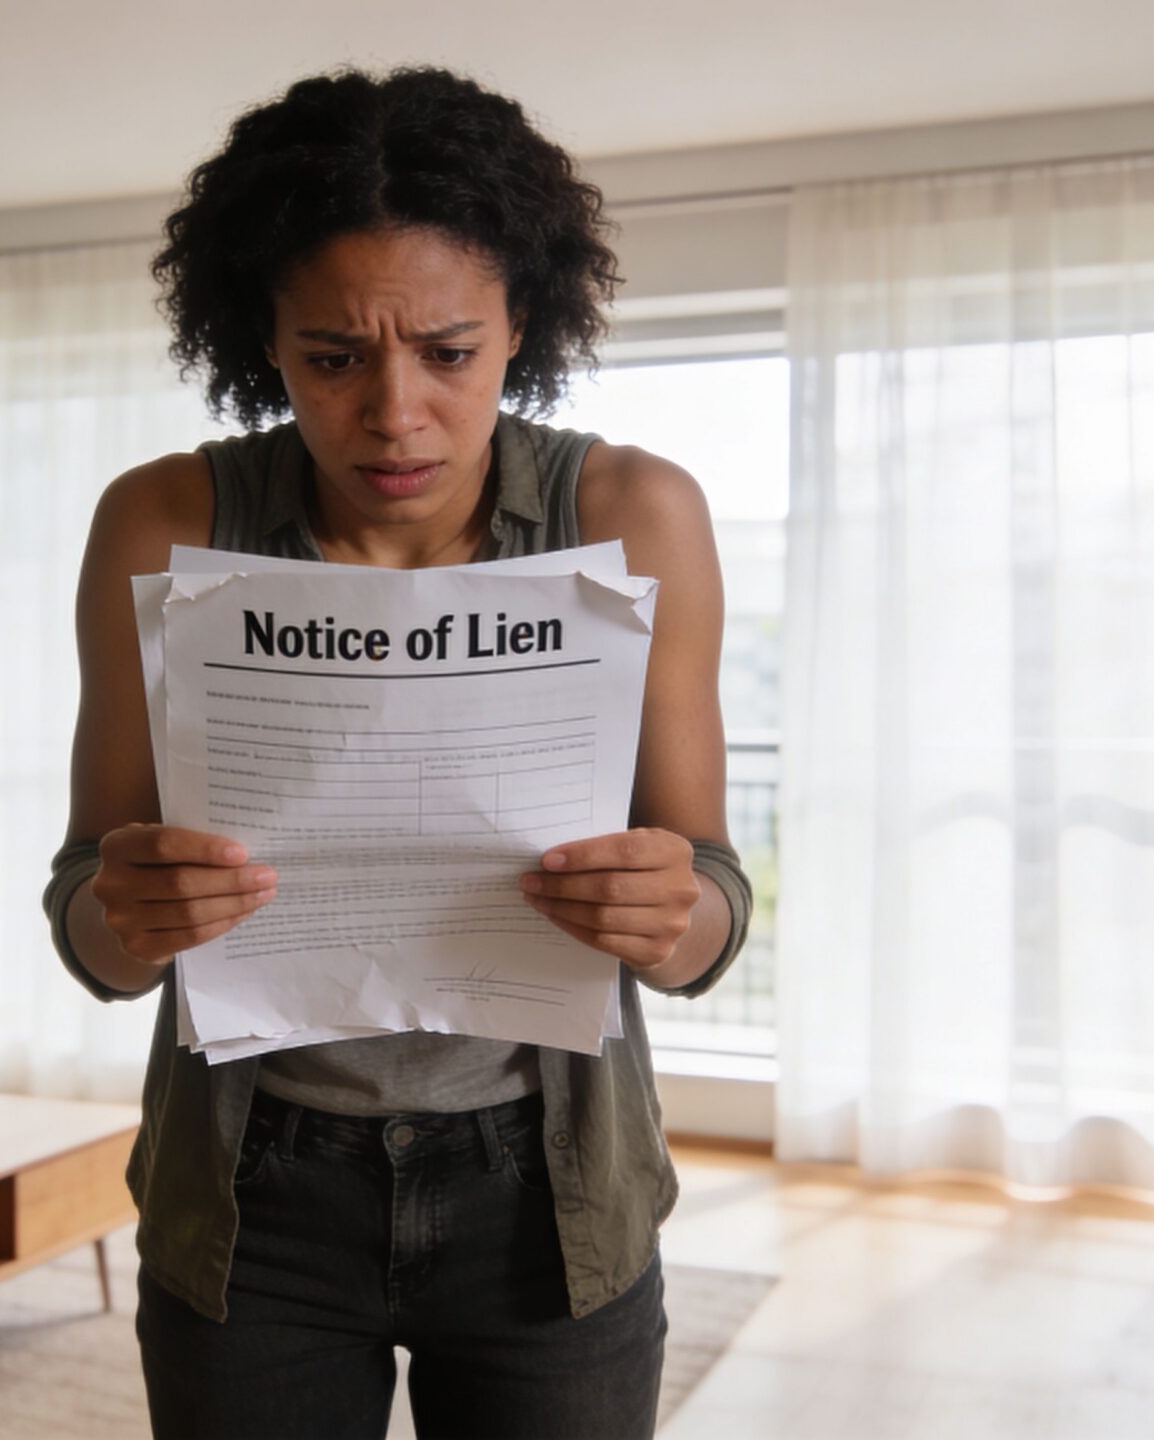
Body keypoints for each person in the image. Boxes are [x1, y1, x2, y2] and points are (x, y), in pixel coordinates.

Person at [43, 65, 754, 1440]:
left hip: (550, 1196)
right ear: (263, 340)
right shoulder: (161, 523)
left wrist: (672, 912)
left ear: (522, 327)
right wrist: (130, 913)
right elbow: (89, 917)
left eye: (448, 351)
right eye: (333, 358)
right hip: (255, 1201)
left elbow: (711, 902)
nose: (394, 413)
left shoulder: (634, 514)